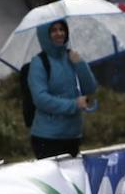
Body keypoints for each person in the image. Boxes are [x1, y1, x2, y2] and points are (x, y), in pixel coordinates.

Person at [27, 18, 97, 159]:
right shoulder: (39, 63)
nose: (59, 33)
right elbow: (41, 99)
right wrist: (74, 104)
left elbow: (90, 88)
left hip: (73, 136)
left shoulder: (71, 57)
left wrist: (80, 64)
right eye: (53, 30)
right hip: (47, 138)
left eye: (62, 29)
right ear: (45, 35)